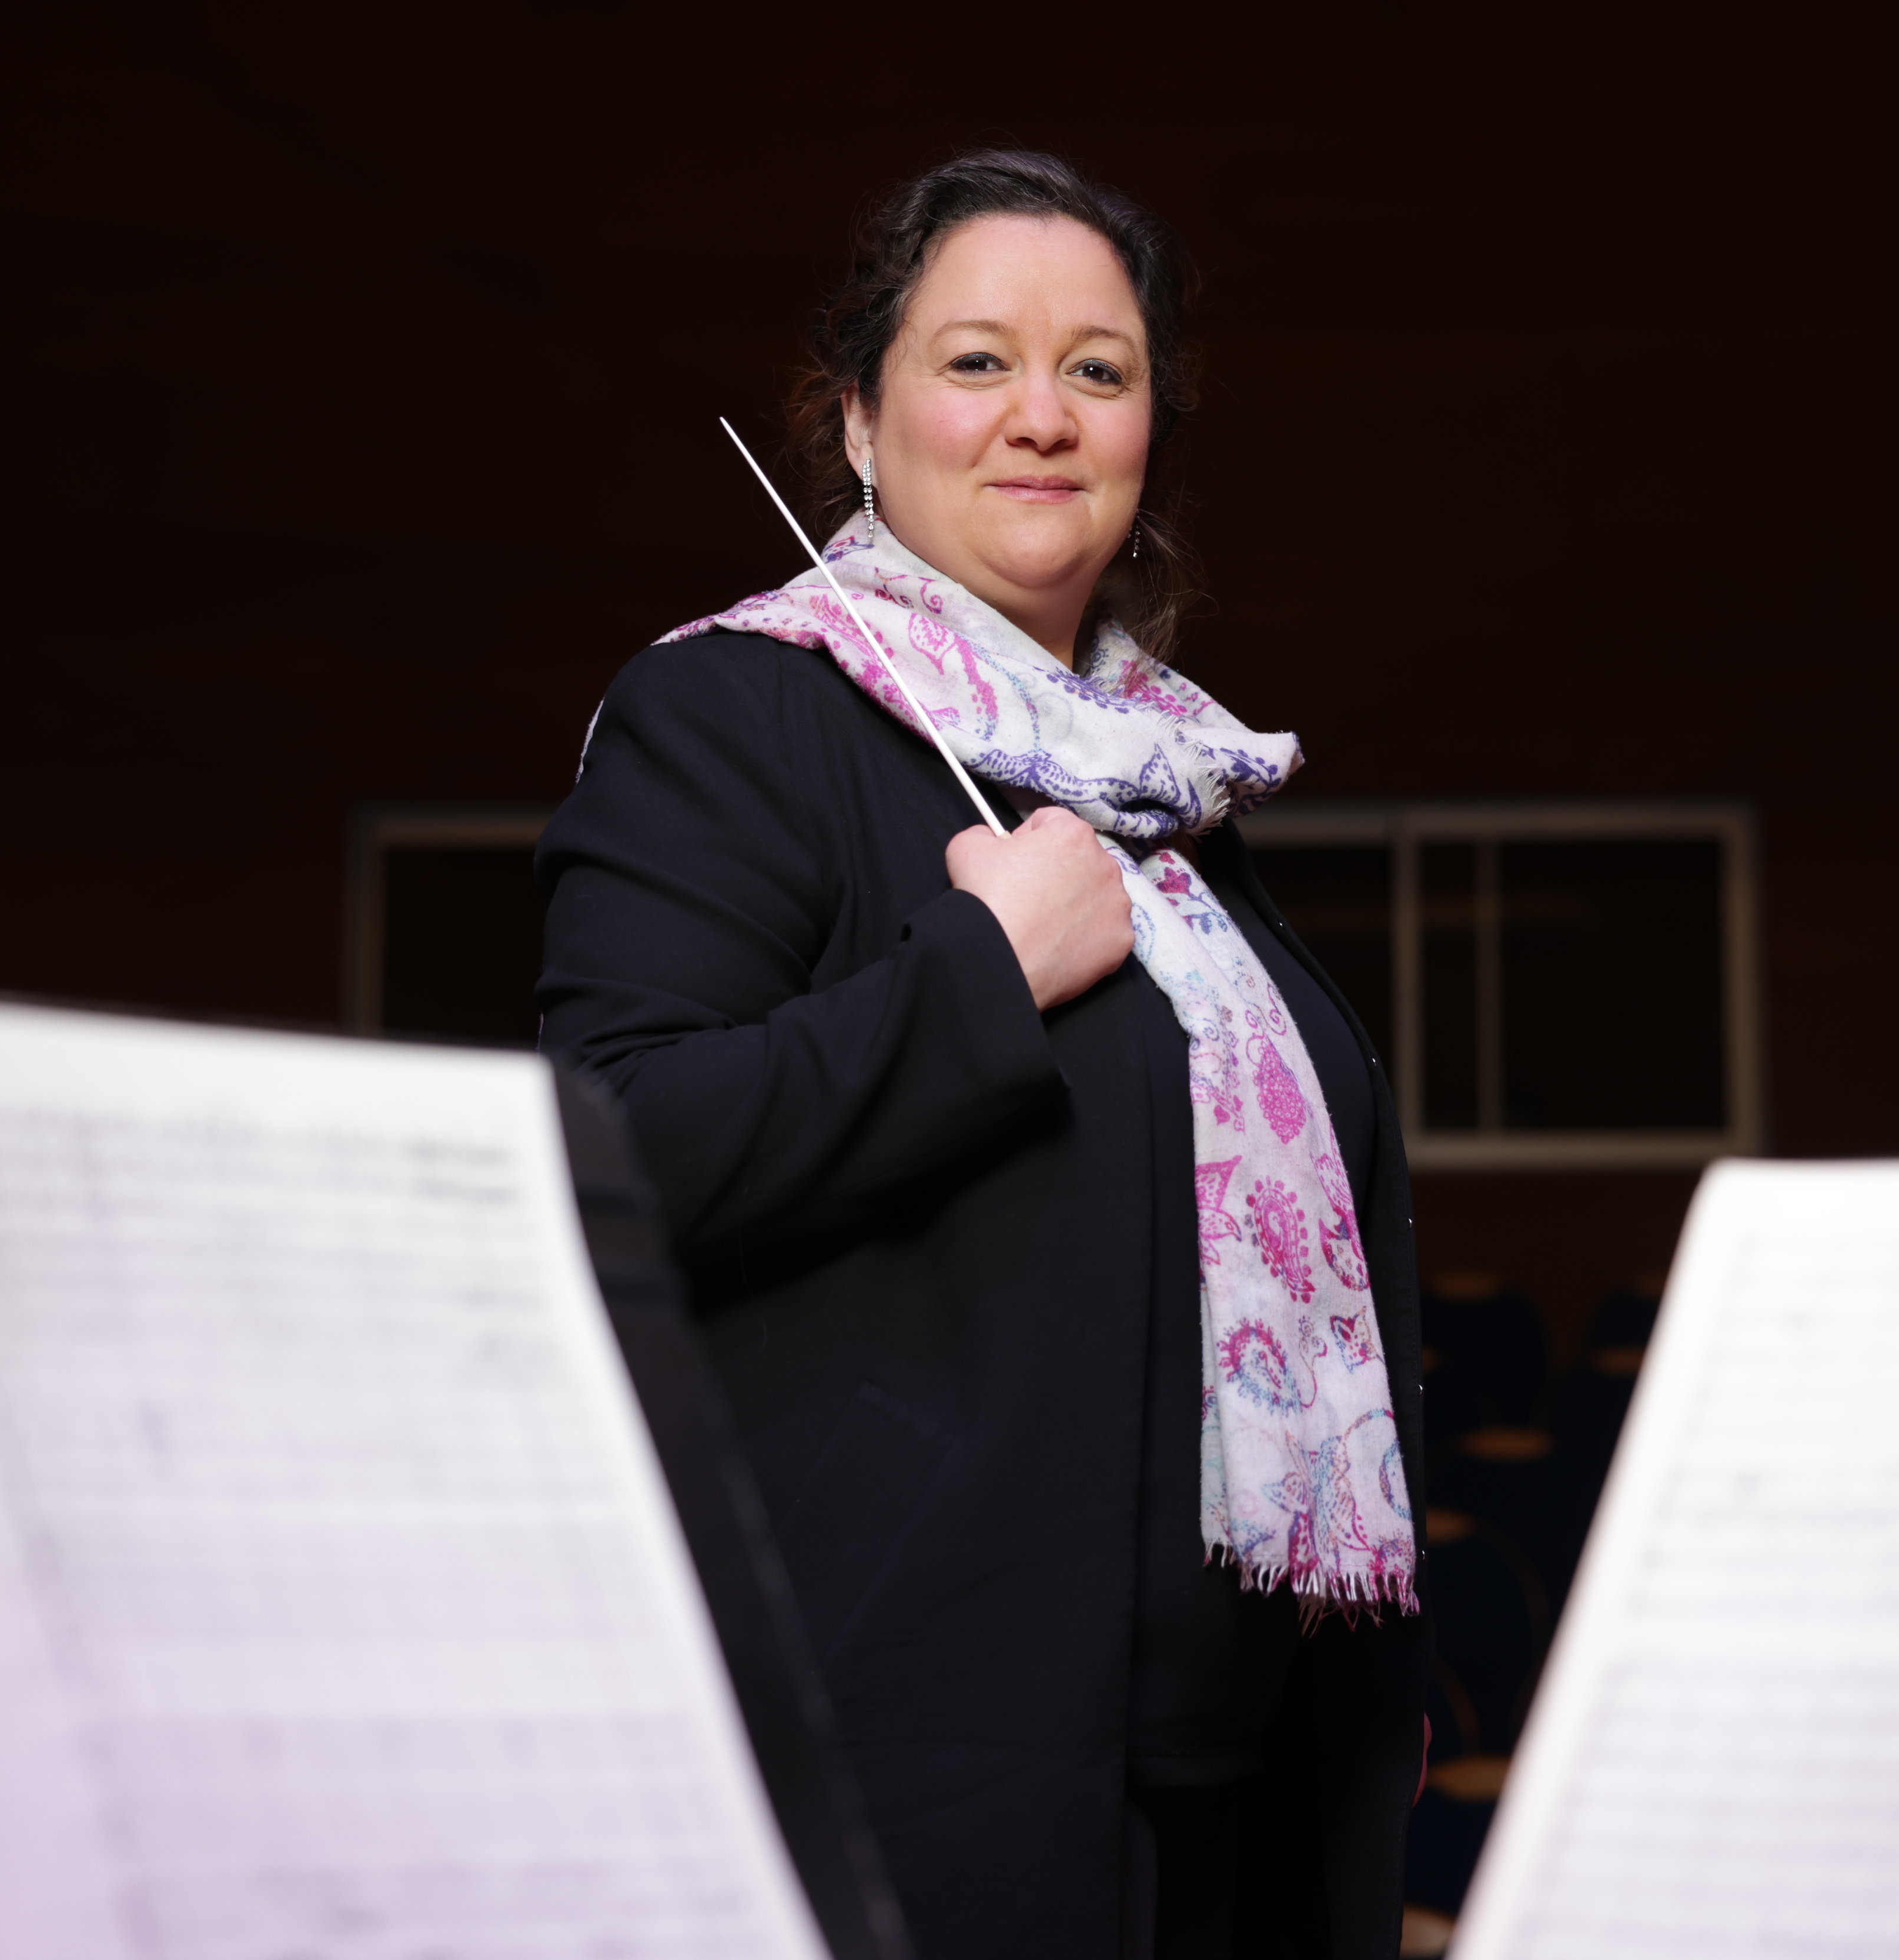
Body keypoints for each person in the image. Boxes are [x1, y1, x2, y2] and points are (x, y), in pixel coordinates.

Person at [534, 149, 1428, 1960]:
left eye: (1098, 370)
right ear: (858, 421)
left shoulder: (1166, 786)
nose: (1043, 416)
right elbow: (600, 1155)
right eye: (976, 362)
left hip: (1241, 1783)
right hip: (934, 1759)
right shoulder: (734, 712)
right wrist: (980, 974)